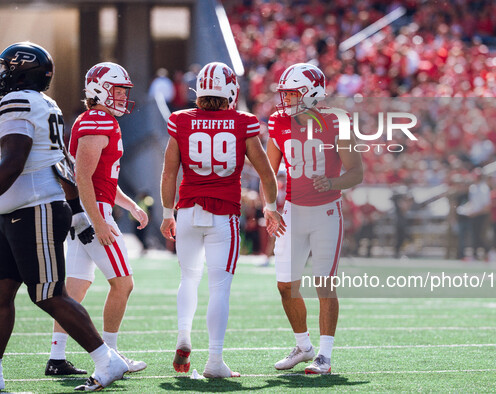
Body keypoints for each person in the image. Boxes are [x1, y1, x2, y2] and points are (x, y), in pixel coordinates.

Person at [0, 41, 128, 392]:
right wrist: (77, 214)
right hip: (22, 208)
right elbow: (62, 166)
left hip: (33, 208)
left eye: (6, 69)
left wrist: (79, 214)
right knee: (2, 292)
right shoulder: (46, 103)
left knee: (48, 294)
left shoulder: (17, 101)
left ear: (18, 72)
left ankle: (107, 359)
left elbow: (13, 159)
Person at [160, 61, 285, 378]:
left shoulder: (180, 121)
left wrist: (165, 213)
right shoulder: (242, 122)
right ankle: (214, 361)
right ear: (231, 92)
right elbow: (266, 173)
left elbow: (169, 172)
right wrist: (270, 206)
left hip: (187, 212)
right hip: (224, 216)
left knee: (188, 279)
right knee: (219, 288)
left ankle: (183, 336)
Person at [47, 62, 149, 374]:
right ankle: (112, 355)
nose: (122, 96)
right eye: (117, 90)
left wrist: (131, 206)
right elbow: (83, 177)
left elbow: (104, 180)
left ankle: (56, 357)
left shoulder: (99, 119)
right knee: (123, 284)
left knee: (76, 288)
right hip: (94, 213)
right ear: (99, 90)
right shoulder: (97, 121)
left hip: (91, 210)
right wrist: (98, 220)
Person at [266, 63, 363, 374]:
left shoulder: (336, 121)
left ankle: (325, 354)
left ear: (312, 93)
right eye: (285, 93)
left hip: (326, 211)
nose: (286, 100)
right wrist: (270, 205)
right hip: (292, 211)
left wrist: (332, 182)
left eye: (293, 93)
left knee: (324, 285)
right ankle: (303, 346)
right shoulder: (278, 120)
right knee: (285, 285)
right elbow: (269, 172)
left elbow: (356, 172)